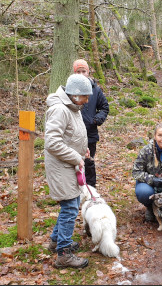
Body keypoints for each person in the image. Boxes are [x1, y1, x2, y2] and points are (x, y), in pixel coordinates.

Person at [44, 74, 92, 269]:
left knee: (69, 205)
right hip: (60, 166)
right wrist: (76, 157)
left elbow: (71, 135)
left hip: (68, 163)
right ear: (75, 94)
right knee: (71, 207)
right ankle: (63, 253)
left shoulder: (73, 108)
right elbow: (52, 142)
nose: (88, 100)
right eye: (85, 97)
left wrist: (82, 150)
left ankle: (56, 241)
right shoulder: (59, 110)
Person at [73, 59, 109, 188]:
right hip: (73, 134)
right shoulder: (70, 90)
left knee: (88, 162)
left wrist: (96, 120)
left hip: (90, 133)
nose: (82, 74)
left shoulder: (96, 90)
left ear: (88, 72)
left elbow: (104, 107)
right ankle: (75, 188)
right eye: (79, 71)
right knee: (73, 162)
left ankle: (90, 190)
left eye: (84, 71)